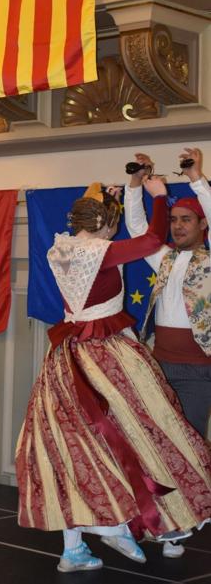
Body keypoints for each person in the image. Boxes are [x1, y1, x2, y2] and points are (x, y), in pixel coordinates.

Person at [16, 179, 211, 573]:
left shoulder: (61, 247)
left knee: (72, 445)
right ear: (107, 225)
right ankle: (117, 523)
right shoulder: (103, 252)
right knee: (136, 434)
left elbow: (105, 238)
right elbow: (154, 238)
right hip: (104, 356)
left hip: (64, 355)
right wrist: (158, 197)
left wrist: (109, 202)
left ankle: (77, 545)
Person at [125, 148, 211, 440]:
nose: (177, 226)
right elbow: (138, 229)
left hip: (198, 371)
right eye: (173, 219)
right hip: (159, 364)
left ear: (203, 224)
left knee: (191, 442)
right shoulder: (164, 257)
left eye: (186, 219)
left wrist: (196, 178)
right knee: (159, 443)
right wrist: (135, 184)